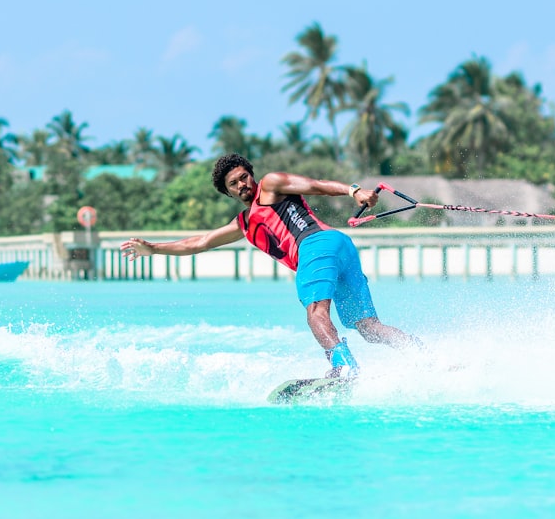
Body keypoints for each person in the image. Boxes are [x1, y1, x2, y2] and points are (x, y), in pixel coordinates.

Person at [121, 153, 419, 379]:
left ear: (252, 175)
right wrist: (154, 249)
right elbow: (198, 243)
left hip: (315, 245)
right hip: (339, 247)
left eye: (243, 177)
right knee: (367, 327)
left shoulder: (271, 185)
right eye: (233, 184)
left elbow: (316, 186)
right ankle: (422, 355)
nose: (241, 185)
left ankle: (344, 369)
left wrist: (354, 191)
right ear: (228, 193)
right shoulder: (244, 223)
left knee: (316, 313)